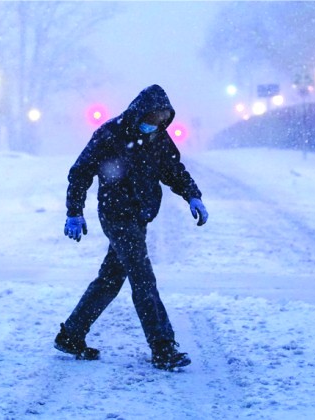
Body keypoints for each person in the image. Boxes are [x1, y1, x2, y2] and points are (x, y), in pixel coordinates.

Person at [54, 84, 209, 370]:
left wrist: (193, 195)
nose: (156, 126)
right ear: (140, 111)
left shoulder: (158, 139)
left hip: (139, 217)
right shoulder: (110, 135)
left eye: (162, 121)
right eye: (152, 119)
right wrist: (74, 212)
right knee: (143, 278)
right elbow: (80, 172)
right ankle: (162, 347)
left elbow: (174, 170)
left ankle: (71, 335)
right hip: (116, 216)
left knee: (110, 280)